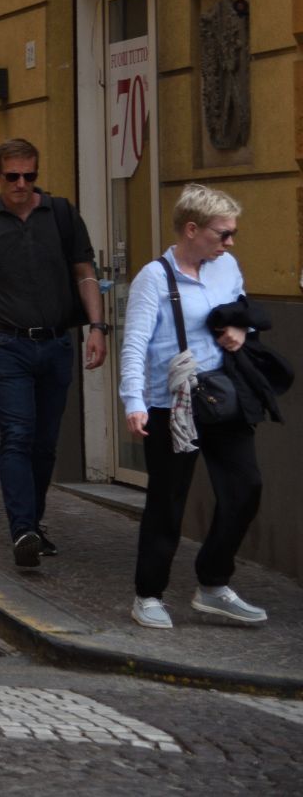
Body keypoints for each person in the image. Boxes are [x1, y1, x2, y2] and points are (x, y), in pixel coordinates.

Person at [0, 137, 107, 569]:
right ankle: (22, 529)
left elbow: (85, 273)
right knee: (18, 435)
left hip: (56, 344)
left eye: (30, 175)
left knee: (45, 443)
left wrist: (97, 327)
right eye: (13, 176)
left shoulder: (61, 214)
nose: (22, 184)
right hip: (7, 347)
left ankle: (33, 523)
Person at [121, 185, 270, 629]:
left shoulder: (226, 268)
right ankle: (148, 594)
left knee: (245, 487)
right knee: (168, 499)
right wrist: (134, 401)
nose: (230, 242)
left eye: (232, 233)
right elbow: (135, 343)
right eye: (223, 234)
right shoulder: (154, 277)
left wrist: (241, 332)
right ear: (191, 229)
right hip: (171, 404)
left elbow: (240, 313)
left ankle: (212, 583)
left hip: (221, 395)